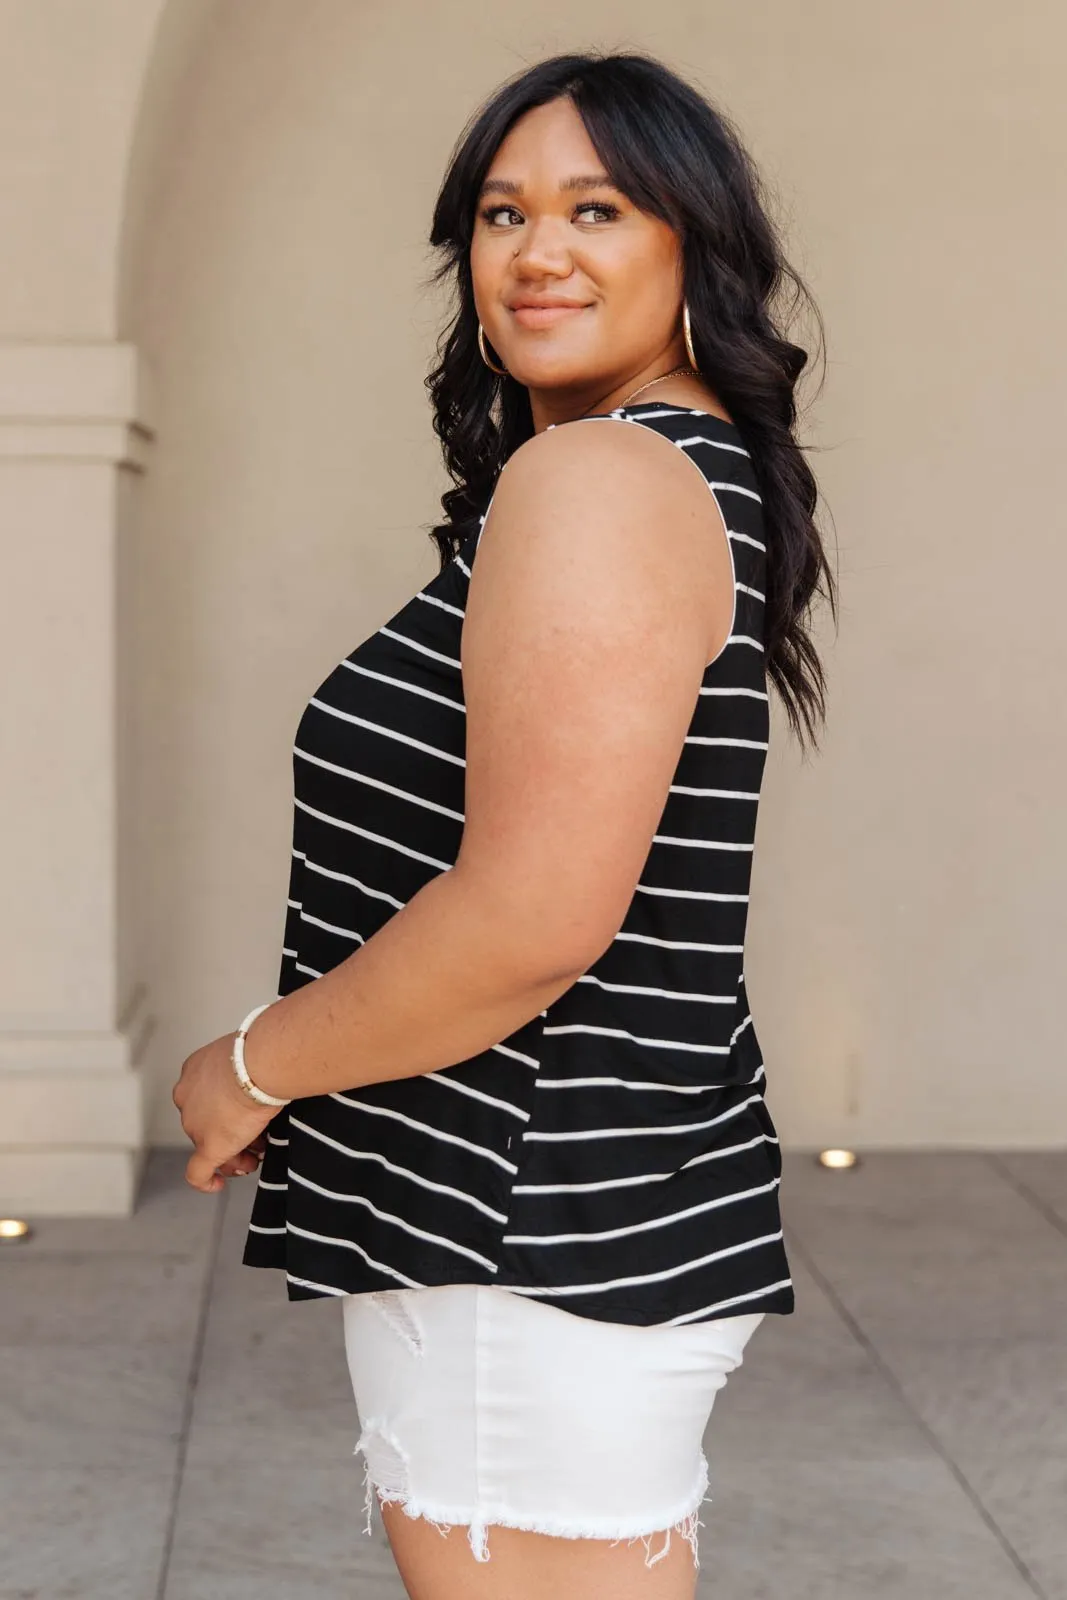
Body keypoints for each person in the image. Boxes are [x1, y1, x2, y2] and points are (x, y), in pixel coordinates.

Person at [172, 47, 835, 1600]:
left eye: (596, 207)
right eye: (498, 212)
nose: (536, 252)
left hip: (519, 1221)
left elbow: (535, 918)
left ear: (694, 250)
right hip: (576, 1208)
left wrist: (248, 1065)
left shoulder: (601, 480)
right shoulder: (659, 472)